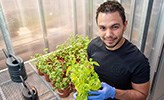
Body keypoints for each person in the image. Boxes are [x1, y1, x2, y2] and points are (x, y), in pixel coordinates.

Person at [87, 1, 150, 100]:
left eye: (115, 27)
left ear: (125, 25)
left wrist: (114, 93)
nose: (108, 34)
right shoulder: (92, 46)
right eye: (103, 28)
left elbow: (142, 95)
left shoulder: (138, 61)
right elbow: (89, 73)